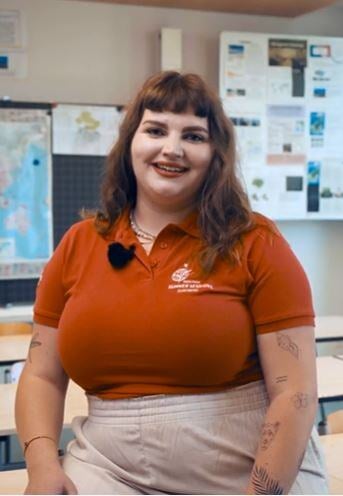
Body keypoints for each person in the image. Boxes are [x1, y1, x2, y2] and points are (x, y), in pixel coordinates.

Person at [15, 71, 328, 495]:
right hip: (108, 464)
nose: (172, 149)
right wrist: (41, 467)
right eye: (156, 129)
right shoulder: (79, 243)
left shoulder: (256, 242)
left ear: (215, 153)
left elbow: (295, 393)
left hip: (244, 461)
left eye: (194, 136)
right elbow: (42, 376)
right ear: (131, 142)